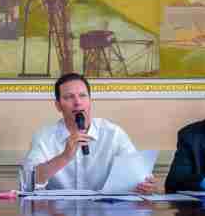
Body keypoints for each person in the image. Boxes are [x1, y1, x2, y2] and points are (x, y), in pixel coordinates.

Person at [22, 73, 159, 193]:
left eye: (82, 96)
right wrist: (64, 156)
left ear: (90, 101)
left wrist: (145, 185)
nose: (77, 102)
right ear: (58, 105)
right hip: (57, 215)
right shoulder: (44, 136)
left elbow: (136, 175)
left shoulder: (113, 134)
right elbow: (28, 183)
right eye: (69, 97)